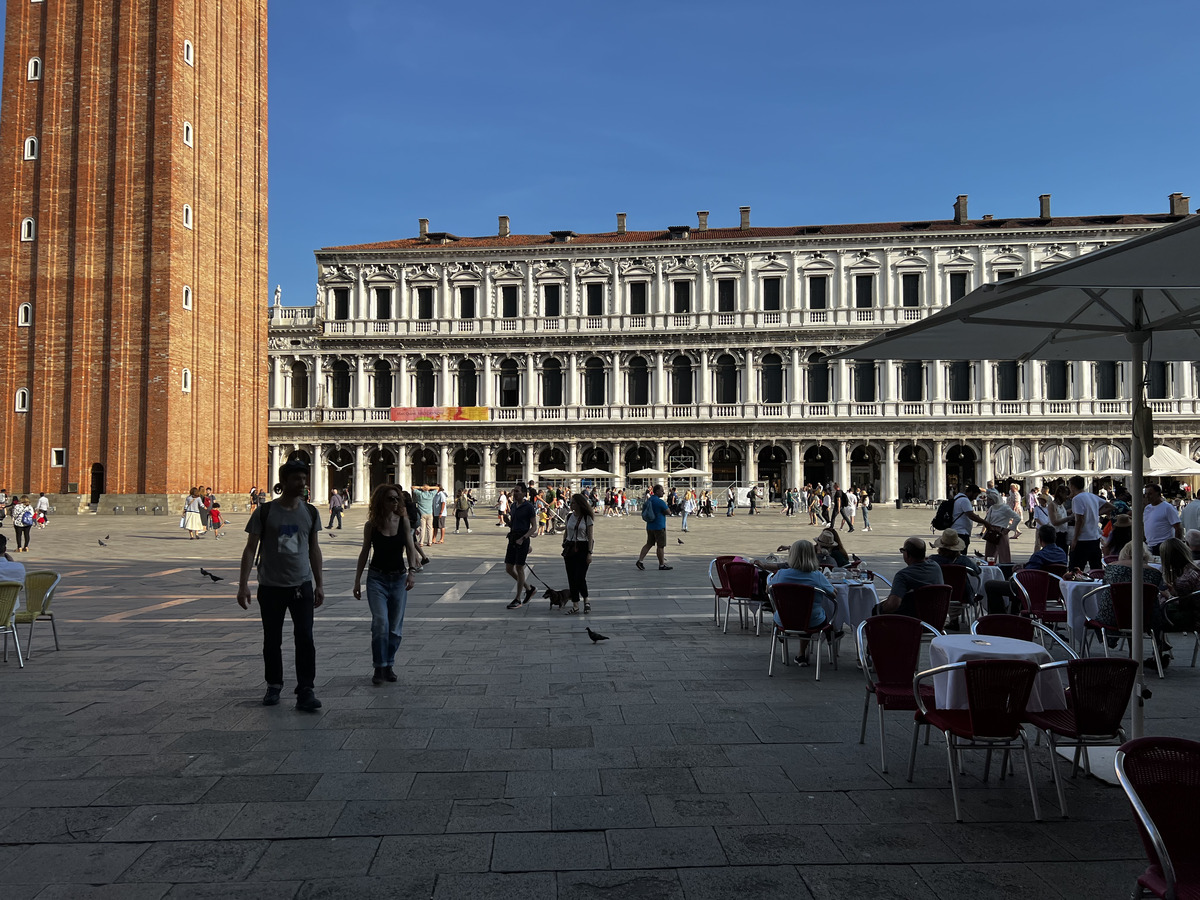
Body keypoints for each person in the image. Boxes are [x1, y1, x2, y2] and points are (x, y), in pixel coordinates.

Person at [237, 459, 325, 711]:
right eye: (297, 479)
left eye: (304, 478)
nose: (303, 483)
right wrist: (243, 585)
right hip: (271, 586)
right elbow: (250, 549)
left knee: (305, 638)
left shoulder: (310, 512)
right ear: (284, 481)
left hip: (301, 586)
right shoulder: (264, 512)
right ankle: (274, 684)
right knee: (272, 639)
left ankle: (306, 688)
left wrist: (319, 584)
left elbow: (314, 549)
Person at [353, 484, 418, 685]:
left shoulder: (404, 521)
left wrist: (412, 572)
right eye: (391, 498)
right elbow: (364, 552)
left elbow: (410, 547)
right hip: (376, 578)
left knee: (395, 629)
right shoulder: (371, 525)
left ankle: (389, 664)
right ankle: (379, 666)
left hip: (398, 578)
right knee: (380, 623)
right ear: (381, 501)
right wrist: (357, 581)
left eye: (397, 499)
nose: (395, 502)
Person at [1095, 541, 1167, 668]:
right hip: (1145, 618)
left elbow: (1104, 590)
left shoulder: (1112, 568)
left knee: (1121, 608)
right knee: (1140, 610)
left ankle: (1113, 643)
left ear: (1124, 552)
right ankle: (1157, 653)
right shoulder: (1155, 573)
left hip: (1113, 617)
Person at [984, 525, 1067, 614]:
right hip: (1054, 592)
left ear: (1040, 539)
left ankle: (999, 616)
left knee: (990, 585)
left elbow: (1027, 576)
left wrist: (1017, 571)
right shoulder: (1062, 554)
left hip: (1031, 590)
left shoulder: (1038, 555)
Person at [876, 536, 944, 616]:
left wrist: (882, 607)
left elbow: (893, 604)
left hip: (911, 621)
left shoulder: (903, 575)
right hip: (935, 616)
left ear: (907, 554)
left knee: (877, 610)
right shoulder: (935, 566)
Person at [928, 528, 981, 628]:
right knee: (961, 587)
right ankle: (955, 619)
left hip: (939, 593)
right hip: (962, 595)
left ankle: (950, 620)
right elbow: (977, 571)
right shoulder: (963, 560)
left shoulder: (933, 559)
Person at [503, 486, 538, 609]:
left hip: (522, 539)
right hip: (513, 538)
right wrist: (507, 522)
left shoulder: (528, 507)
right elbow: (514, 524)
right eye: (514, 491)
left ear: (524, 493)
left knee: (519, 567)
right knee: (508, 568)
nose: (515, 494)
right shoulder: (513, 506)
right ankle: (529, 588)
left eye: (517, 491)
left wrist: (524, 539)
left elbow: (534, 527)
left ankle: (518, 599)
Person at [561, 493, 594, 615]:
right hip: (570, 548)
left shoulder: (587, 518)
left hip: (582, 547)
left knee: (580, 577)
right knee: (571, 577)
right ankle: (575, 604)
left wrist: (590, 553)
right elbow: (566, 531)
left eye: (573, 502)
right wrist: (564, 542)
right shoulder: (569, 516)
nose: (571, 504)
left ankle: (586, 599)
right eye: (571, 502)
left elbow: (590, 537)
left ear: (580, 504)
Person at [1068, 475, 1103, 571]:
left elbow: (1079, 520)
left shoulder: (1077, 499)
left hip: (1083, 539)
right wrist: (1095, 513)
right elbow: (1110, 506)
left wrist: (1075, 538)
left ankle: (1076, 586)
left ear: (1073, 486)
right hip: (1095, 537)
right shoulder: (1092, 496)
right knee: (1096, 568)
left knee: (1075, 569)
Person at [635, 484, 672, 571]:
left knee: (649, 544)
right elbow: (668, 512)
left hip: (650, 525)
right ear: (657, 491)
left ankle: (640, 560)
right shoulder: (660, 502)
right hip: (659, 526)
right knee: (660, 546)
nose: (663, 492)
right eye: (662, 490)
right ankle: (661, 564)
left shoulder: (649, 500)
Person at [983, 488, 1022, 564]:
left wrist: (1009, 529)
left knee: (1004, 554)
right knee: (989, 554)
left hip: (1001, 531)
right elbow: (988, 520)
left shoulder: (1005, 508)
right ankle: (989, 569)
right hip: (991, 531)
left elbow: (1017, 518)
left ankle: (1005, 570)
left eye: (990, 499)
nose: (988, 501)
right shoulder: (992, 508)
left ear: (994, 499)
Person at [1143, 483, 1183, 555]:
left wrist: (1176, 546)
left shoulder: (1168, 508)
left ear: (1158, 493)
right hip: (1149, 545)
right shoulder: (1147, 508)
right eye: (1146, 494)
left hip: (1164, 545)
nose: (1147, 496)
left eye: (1150, 494)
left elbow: (1178, 527)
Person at [951, 484, 986, 553]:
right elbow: (971, 515)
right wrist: (985, 522)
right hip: (961, 532)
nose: (975, 498)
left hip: (955, 529)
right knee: (961, 554)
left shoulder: (957, 497)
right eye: (975, 495)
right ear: (970, 492)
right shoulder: (965, 500)